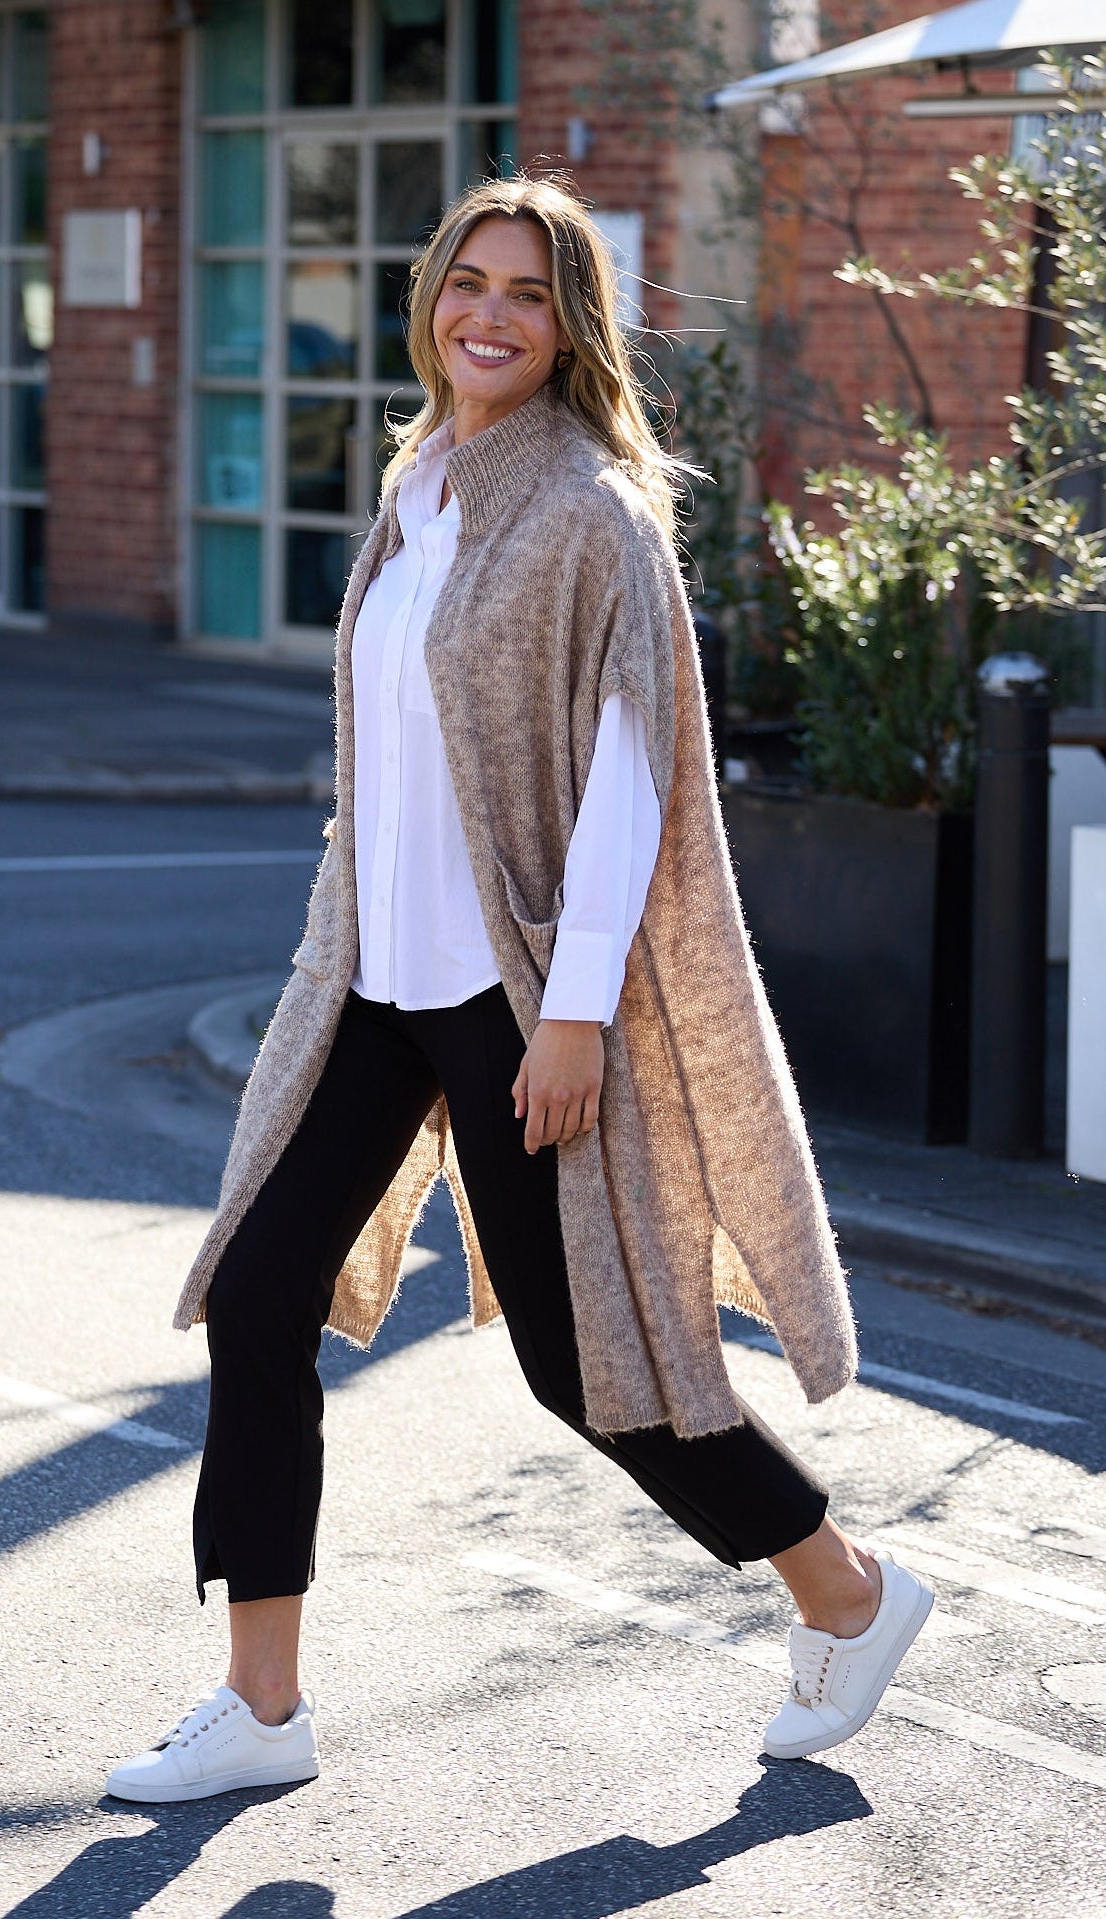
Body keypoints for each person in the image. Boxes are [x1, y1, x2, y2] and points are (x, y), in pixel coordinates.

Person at [106, 176, 933, 1804]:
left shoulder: (590, 511)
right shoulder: (419, 482)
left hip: (511, 995)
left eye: (529, 295)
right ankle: (263, 1709)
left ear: (571, 332)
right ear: (432, 298)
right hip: (375, 980)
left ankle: (844, 1588)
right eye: (468, 283)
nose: (489, 314)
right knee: (262, 1301)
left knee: (586, 1363)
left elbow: (633, 781)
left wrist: (567, 1021)